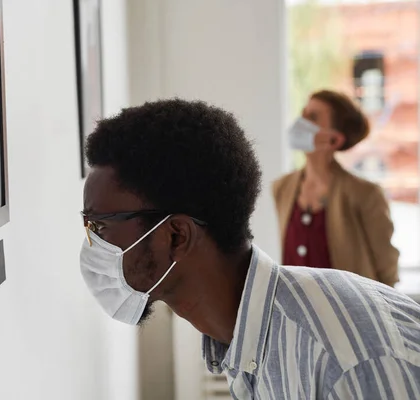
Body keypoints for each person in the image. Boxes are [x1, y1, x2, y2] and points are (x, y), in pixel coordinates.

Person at [79, 99, 420, 399]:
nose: (92, 244)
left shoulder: (345, 360)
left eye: (100, 225)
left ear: (176, 236)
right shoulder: (248, 343)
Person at [274, 90, 399, 286]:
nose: (301, 120)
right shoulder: (282, 188)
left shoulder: (365, 194)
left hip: (351, 314)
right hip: (296, 314)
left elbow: (387, 269)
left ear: (334, 140)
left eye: (312, 117)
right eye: (303, 112)